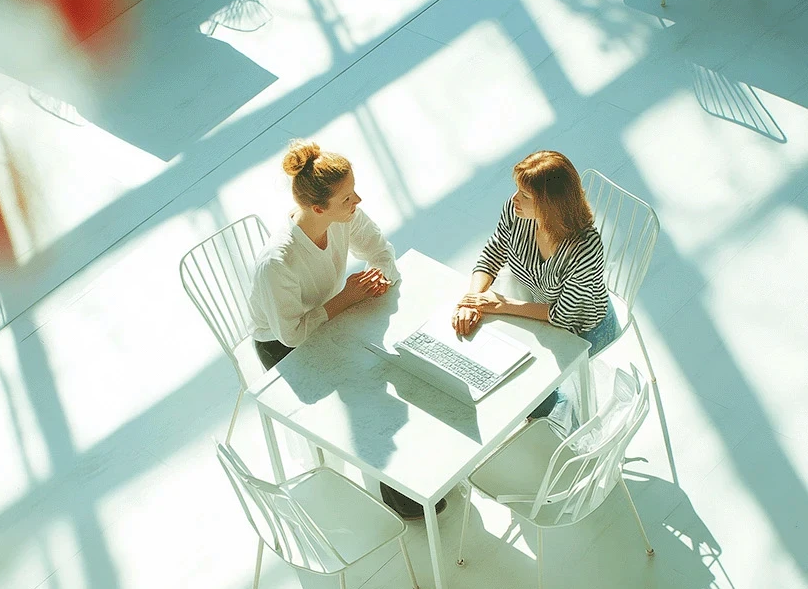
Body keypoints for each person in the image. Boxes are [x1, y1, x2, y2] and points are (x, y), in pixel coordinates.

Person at [250, 140, 444, 519]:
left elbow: (382, 254)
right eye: (347, 197)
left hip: (330, 318)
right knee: (367, 393)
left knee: (399, 363)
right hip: (283, 347)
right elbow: (292, 334)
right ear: (318, 207)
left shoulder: (342, 216)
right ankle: (403, 496)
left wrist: (379, 280)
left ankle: (423, 469)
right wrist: (348, 297)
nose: (358, 200)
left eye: (353, 190)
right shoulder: (278, 262)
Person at [452, 150, 619, 418]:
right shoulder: (517, 211)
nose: (515, 199)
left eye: (526, 196)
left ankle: (549, 420)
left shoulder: (585, 248)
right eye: (518, 190)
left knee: (530, 390)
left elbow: (562, 317)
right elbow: (493, 253)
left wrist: (502, 304)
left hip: (582, 327)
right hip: (533, 304)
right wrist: (472, 299)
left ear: (551, 205)